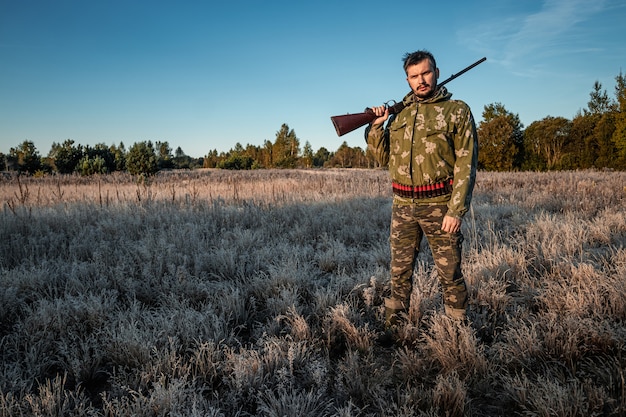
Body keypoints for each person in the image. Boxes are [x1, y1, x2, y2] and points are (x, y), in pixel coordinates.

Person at [366, 50, 478, 327]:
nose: (421, 80)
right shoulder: (400, 113)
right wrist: (376, 127)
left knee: (449, 272)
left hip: (440, 206)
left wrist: (456, 210)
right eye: (414, 76)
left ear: (437, 73)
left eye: (426, 73)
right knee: (399, 272)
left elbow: (466, 164)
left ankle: (456, 332)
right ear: (407, 79)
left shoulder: (457, 111)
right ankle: (395, 328)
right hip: (402, 206)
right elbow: (384, 159)